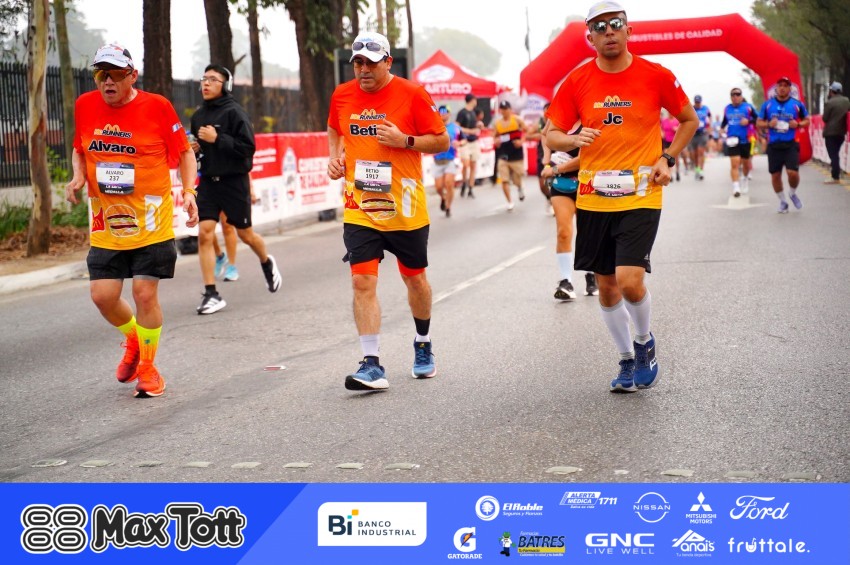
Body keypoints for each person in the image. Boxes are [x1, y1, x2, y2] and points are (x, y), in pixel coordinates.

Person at [546, 1, 699, 393]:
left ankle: (644, 342)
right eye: (600, 27)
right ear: (590, 37)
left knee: (630, 281)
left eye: (615, 24)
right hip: (594, 197)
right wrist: (572, 139)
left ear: (629, 30)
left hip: (641, 194)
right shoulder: (577, 81)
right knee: (607, 286)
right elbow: (552, 134)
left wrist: (667, 158)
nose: (609, 31)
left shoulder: (656, 75)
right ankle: (626, 357)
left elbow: (688, 120)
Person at [65, 44, 199, 398]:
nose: (107, 81)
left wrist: (189, 191)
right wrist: (78, 176)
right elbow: (80, 148)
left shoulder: (157, 106)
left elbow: (185, 153)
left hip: (150, 220)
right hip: (105, 221)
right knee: (102, 296)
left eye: (114, 74)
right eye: (100, 74)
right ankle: (135, 339)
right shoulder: (85, 105)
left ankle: (149, 369)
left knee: (143, 292)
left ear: (132, 76)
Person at [327, 32, 449, 391]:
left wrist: (405, 141)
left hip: (405, 207)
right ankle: (371, 363)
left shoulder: (412, 94)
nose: (364, 70)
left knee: (415, 279)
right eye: (358, 63)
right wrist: (335, 157)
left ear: (388, 62)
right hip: (360, 206)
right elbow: (335, 128)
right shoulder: (342, 94)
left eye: (371, 62)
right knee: (361, 281)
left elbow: (441, 140)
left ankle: (423, 342)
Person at [190, 64, 281, 315]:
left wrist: (218, 139)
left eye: (213, 79)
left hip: (234, 182)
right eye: (204, 78)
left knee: (245, 235)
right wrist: (197, 148)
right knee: (205, 234)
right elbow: (200, 149)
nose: (206, 83)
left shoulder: (235, 113)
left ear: (226, 85)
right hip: (208, 182)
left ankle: (266, 261)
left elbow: (248, 149)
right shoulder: (198, 116)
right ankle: (211, 293)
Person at [539, 121, 599, 300]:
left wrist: (555, 168)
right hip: (561, 182)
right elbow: (544, 134)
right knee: (563, 232)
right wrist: (546, 158)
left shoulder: (590, 115)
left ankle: (591, 275)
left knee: (588, 232)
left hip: (587, 182)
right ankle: (566, 281)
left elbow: (583, 158)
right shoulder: (558, 114)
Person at [757, 76, 810, 213]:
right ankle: (783, 201)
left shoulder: (797, 104)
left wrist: (798, 124)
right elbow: (759, 123)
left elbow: (807, 120)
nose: (782, 88)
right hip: (774, 145)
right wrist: (769, 124)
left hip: (791, 144)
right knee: (775, 176)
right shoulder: (767, 105)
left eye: (785, 86)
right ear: (776, 88)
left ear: (789, 89)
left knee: (792, 173)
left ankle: (792, 193)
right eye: (780, 85)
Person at [721, 87, 757, 197]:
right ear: (731, 97)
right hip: (732, 139)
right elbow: (725, 121)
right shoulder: (727, 108)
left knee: (746, 164)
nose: (735, 97)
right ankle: (736, 187)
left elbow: (758, 119)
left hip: (745, 139)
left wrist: (749, 121)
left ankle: (745, 178)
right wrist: (721, 128)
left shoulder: (748, 107)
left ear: (741, 96)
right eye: (733, 95)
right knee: (735, 163)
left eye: (738, 94)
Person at [493, 100, 527, 211]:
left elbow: (526, 131)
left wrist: (521, 141)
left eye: (506, 109)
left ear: (510, 109)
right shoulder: (498, 123)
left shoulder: (517, 120)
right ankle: (510, 201)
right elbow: (494, 136)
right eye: (502, 109)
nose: (504, 111)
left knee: (517, 178)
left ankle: (519, 187)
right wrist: (496, 141)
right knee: (504, 179)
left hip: (516, 154)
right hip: (503, 155)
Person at [432, 105, 462, 217]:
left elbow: (464, 140)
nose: (443, 114)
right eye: (441, 112)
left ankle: (448, 207)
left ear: (449, 113)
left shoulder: (455, 127)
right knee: (439, 187)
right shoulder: (434, 127)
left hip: (450, 160)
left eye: (445, 112)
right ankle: (443, 198)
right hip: (437, 161)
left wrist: (459, 143)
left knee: (449, 184)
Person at [526, 103, 554, 215]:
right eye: (546, 112)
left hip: (556, 155)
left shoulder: (558, 122)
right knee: (542, 185)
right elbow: (527, 135)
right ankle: (549, 198)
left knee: (553, 182)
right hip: (542, 155)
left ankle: (554, 202)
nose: (547, 114)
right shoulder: (539, 123)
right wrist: (541, 136)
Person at [822, 81, 849, 184]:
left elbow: (825, 118)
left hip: (830, 133)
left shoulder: (830, 102)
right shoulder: (846, 101)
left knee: (833, 154)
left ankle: (835, 176)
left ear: (831, 91)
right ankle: (836, 171)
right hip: (841, 132)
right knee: (836, 154)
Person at [456, 93, 481, 198]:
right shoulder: (462, 112)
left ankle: (471, 187)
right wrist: (470, 131)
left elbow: (475, 125)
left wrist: (479, 125)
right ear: (472, 100)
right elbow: (457, 126)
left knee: (473, 165)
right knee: (466, 164)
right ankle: (464, 183)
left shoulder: (474, 112)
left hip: (474, 141)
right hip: (465, 141)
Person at [689, 94, 711, 180]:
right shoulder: (691, 108)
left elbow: (709, 117)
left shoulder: (706, 109)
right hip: (693, 133)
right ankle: (697, 169)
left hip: (702, 133)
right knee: (695, 154)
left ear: (701, 102)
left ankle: (701, 170)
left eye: (698, 102)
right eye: (696, 102)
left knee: (700, 152)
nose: (697, 104)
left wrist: (709, 128)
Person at [660, 110, 680, 181]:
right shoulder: (664, 121)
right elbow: (661, 129)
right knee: (667, 157)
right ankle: (670, 174)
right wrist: (662, 133)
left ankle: (677, 172)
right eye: (669, 112)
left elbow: (681, 129)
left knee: (676, 158)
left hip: (675, 141)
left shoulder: (677, 121)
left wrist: (676, 129)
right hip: (666, 141)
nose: (670, 114)